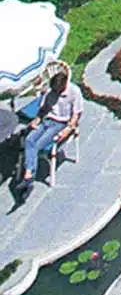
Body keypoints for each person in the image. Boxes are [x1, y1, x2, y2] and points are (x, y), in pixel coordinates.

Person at [15, 64, 82, 202]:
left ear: (64, 86)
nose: (55, 93)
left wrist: (67, 130)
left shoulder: (74, 92)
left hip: (60, 124)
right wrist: (37, 119)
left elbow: (76, 114)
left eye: (58, 91)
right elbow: (44, 109)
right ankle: (29, 175)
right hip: (47, 120)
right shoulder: (50, 92)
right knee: (29, 140)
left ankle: (29, 176)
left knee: (38, 145)